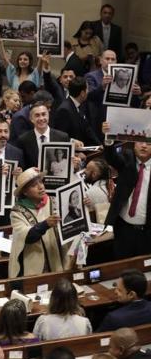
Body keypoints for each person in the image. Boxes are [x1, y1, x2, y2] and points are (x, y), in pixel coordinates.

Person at [102, 121, 151, 259]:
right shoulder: (127, 160)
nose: (144, 145)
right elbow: (111, 157)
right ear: (133, 143)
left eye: (148, 142)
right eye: (140, 141)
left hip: (147, 234)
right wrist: (109, 137)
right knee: (121, 266)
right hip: (123, 229)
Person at [9, 168, 64, 278]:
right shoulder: (17, 212)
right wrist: (46, 224)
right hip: (33, 264)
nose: (41, 187)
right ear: (25, 192)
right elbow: (28, 237)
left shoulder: (55, 202)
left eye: (41, 182)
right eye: (34, 185)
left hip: (56, 258)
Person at [17, 103, 71, 169]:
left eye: (43, 114)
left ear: (48, 116)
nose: (41, 118)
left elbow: (66, 162)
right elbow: (22, 165)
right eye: (37, 115)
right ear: (31, 119)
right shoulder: (23, 140)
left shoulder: (62, 137)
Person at [53, 76, 101, 146]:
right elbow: (60, 138)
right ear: (82, 93)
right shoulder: (64, 110)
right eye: (87, 89)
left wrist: (99, 145)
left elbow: (87, 129)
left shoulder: (81, 104)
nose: (88, 91)